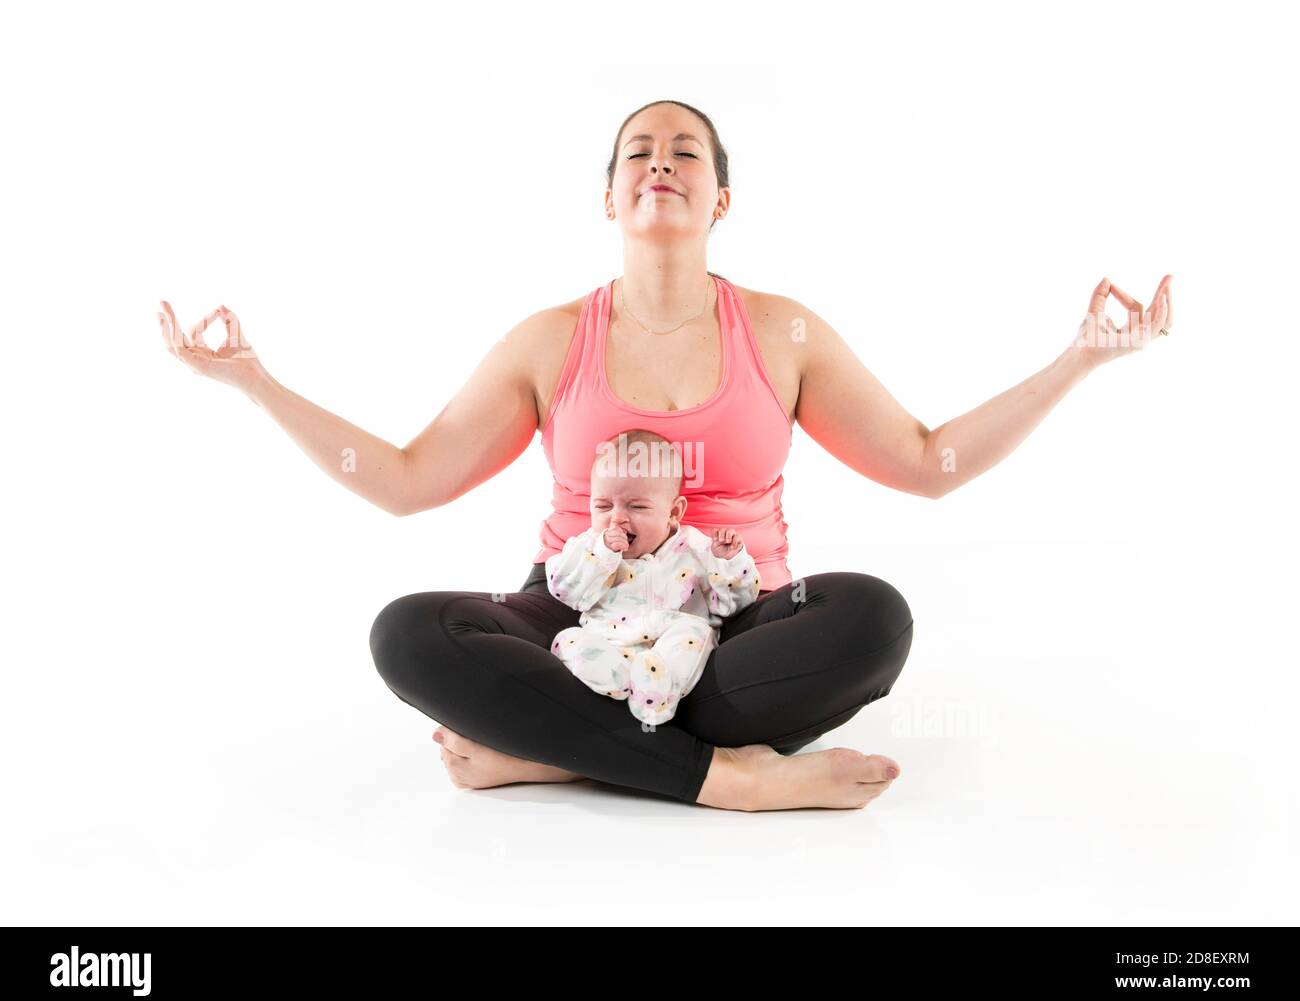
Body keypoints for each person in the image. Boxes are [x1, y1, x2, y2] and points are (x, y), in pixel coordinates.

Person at [154, 98, 1173, 812]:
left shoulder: (783, 333)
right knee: (407, 633)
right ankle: (722, 775)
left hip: (730, 630)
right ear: (608, 197)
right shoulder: (550, 339)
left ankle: (550, 758)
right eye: (639, 149)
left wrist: (1079, 358)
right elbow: (408, 482)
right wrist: (256, 381)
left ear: (719, 197)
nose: (660, 162)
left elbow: (925, 458)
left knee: (873, 617)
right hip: (573, 622)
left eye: (686, 151)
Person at [546, 429, 761, 730]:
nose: (616, 518)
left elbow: (731, 607)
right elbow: (565, 590)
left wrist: (728, 563)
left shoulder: (695, 548)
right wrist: (603, 553)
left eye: (637, 506)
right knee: (566, 640)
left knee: (695, 631)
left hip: (671, 647)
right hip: (609, 643)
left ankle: (656, 693)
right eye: (603, 506)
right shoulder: (587, 546)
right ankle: (623, 682)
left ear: (673, 512)